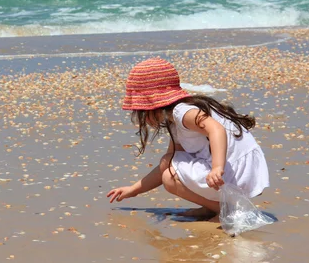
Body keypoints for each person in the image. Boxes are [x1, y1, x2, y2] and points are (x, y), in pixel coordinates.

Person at [107, 57, 269, 220]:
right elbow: (166, 164)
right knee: (168, 163)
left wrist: (217, 167)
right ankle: (212, 207)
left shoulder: (183, 112)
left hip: (233, 170)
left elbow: (217, 130)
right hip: (232, 171)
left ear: (153, 105)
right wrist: (133, 190)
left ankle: (224, 209)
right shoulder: (176, 120)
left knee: (170, 177)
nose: (142, 119)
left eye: (141, 111)